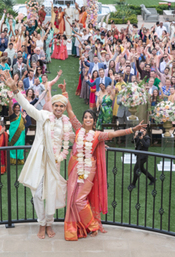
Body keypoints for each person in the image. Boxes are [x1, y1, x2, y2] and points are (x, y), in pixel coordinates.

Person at [64, 87, 146, 241]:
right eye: (85, 117)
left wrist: (132, 129)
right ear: (83, 120)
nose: (87, 119)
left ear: (94, 121)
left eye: (90, 117)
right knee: (73, 198)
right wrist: (65, 94)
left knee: (78, 199)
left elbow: (114, 134)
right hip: (74, 168)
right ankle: (80, 226)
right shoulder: (77, 130)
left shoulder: (98, 135)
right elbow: (70, 112)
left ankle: (92, 225)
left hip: (89, 169)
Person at [1, 70, 72, 240]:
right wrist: (16, 91)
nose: (58, 108)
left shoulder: (65, 124)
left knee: (51, 192)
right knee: (38, 193)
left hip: (55, 162)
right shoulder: (43, 116)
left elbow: (68, 142)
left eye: (61, 106)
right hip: (39, 160)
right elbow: (27, 106)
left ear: (64, 109)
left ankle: (49, 223)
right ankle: (41, 223)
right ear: (51, 106)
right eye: (56, 105)